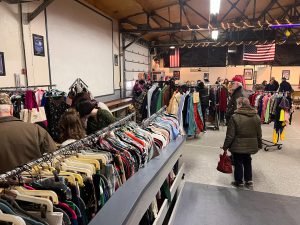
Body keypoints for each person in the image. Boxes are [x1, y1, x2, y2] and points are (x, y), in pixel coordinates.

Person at [0, 93, 56, 173]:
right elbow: (54, 159)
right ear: (11, 110)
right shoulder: (37, 130)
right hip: (34, 183)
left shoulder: (37, 130)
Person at [222, 97, 262, 189]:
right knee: (248, 160)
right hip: (251, 144)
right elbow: (259, 133)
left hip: (237, 145)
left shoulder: (234, 117)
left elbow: (230, 135)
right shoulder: (256, 116)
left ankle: (239, 182)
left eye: (237, 104)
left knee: (238, 162)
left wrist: (225, 146)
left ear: (240, 105)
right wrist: (259, 144)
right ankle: (249, 181)